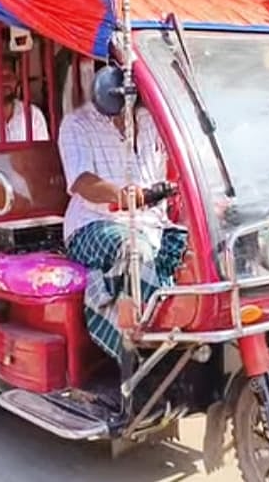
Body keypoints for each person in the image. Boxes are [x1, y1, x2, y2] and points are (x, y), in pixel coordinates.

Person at [57, 67, 187, 361]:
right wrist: (120, 195)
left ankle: (180, 345)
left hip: (153, 223)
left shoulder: (151, 121)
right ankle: (132, 359)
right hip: (94, 224)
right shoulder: (77, 124)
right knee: (134, 251)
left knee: (198, 254)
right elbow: (81, 182)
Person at [0, 57, 50, 144]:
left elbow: (40, 154)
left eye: (9, 76)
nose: (4, 81)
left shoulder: (33, 114)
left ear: (16, 79)